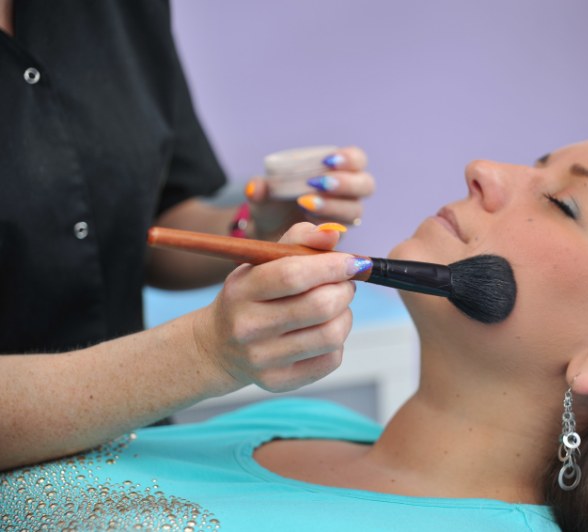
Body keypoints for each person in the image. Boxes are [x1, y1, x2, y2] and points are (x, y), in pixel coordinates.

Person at [2, 119, 588, 531]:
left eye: (562, 201)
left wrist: (208, 353)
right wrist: (203, 353)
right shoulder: (299, 424)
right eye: (536, 161)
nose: (484, 170)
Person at [0, 0, 374, 469]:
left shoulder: (119, 12)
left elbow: (151, 224)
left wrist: (258, 229)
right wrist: (203, 351)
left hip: (139, 453)